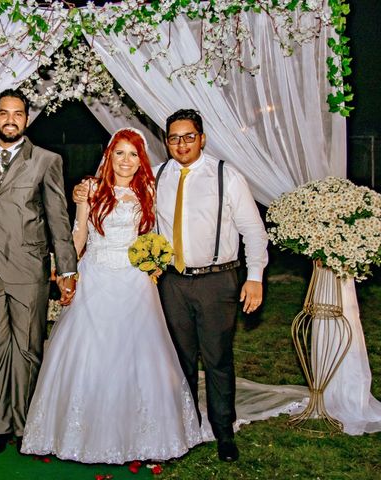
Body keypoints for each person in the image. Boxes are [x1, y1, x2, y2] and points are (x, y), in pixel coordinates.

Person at [21, 128, 202, 464]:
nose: (126, 161)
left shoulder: (148, 190)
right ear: (110, 155)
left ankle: (141, 434)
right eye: (120, 153)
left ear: (141, 161)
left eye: (133, 155)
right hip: (96, 277)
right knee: (89, 351)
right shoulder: (90, 189)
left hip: (135, 283)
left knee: (137, 354)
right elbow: (78, 234)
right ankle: (78, 432)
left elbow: (154, 236)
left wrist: (155, 264)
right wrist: (65, 271)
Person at [156, 109, 268, 462]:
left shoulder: (226, 175)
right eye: (174, 137)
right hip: (172, 282)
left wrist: (254, 278)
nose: (181, 144)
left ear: (202, 138)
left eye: (189, 136)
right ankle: (187, 427)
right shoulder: (158, 175)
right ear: (166, 142)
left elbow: (253, 231)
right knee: (180, 359)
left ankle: (223, 432)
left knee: (218, 358)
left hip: (217, 281)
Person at [0, 89, 78, 455]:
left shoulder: (46, 160)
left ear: (27, 119)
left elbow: (58, 219)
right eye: (4, 113)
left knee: (29, 348)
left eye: (18, 113)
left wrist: (66, 269)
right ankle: (0, 426)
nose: (10, 119)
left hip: (29, 268)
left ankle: (30, 423)